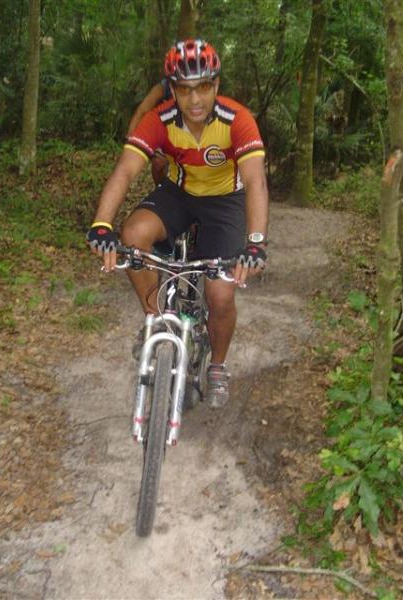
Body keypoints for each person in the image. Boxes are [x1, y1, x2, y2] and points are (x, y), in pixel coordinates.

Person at [87, 39, 269, 408]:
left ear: (216, 85)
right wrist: (101, 224)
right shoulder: (161, 121)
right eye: (184, 90)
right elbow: (125, 171)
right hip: (179, 193)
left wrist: (255, 242)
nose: (195, 99)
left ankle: (217, 364)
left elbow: (255, 182)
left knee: (219, 294)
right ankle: (159, 324)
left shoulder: (237, 120)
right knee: (133, 234)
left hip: (225, 203)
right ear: (172, 90)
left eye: (203, 87)